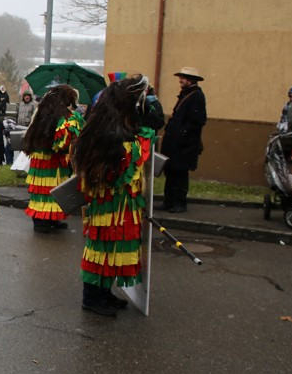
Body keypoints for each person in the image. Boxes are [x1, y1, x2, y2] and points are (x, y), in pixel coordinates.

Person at [71, 74, 157, 317]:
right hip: (109, 204)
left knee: (113, 248)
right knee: (101, 247)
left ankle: (104, 292)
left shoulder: (115, 130)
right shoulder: (110, 137)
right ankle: (91, 297)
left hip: (121, 204)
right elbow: (121, 168)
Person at [23, 84, 82, 233]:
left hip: (54, 160)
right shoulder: (49, 114)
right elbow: (58, 142)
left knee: (52, 190)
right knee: (42, 190)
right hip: (46, 158)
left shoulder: (50, 113)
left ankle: (50, 218)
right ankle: (39, 220)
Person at [160, 67, 207, 213]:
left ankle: (179, 203)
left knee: (180, 174)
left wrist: (182, 133)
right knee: (172, 173)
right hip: (177, 144)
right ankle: (169, 202)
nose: (180, 80)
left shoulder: (196, 96)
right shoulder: (187, 94)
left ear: (191, 80)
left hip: (184, 146)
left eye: (183, 77)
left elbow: (197, 120)